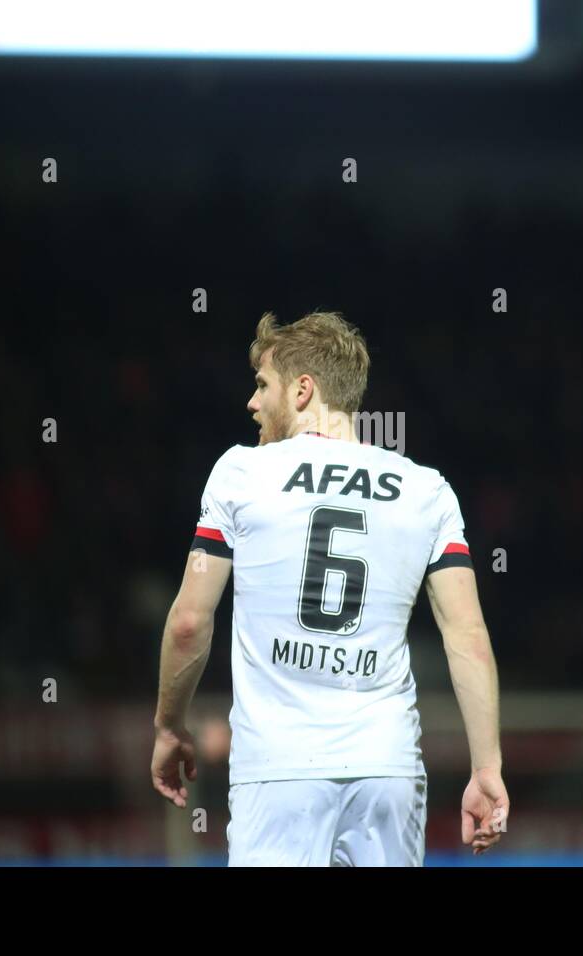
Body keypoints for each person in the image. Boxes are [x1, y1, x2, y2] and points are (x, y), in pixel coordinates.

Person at [151, 310, 508, 866]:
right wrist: (486, 769)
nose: (251, 402)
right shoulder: (427, 491)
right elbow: (468, 637)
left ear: (302, 390)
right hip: (387, 768)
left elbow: (190, 621)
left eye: (262, 385)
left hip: (279, 772)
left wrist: (169, 725)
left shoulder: (241, 475)